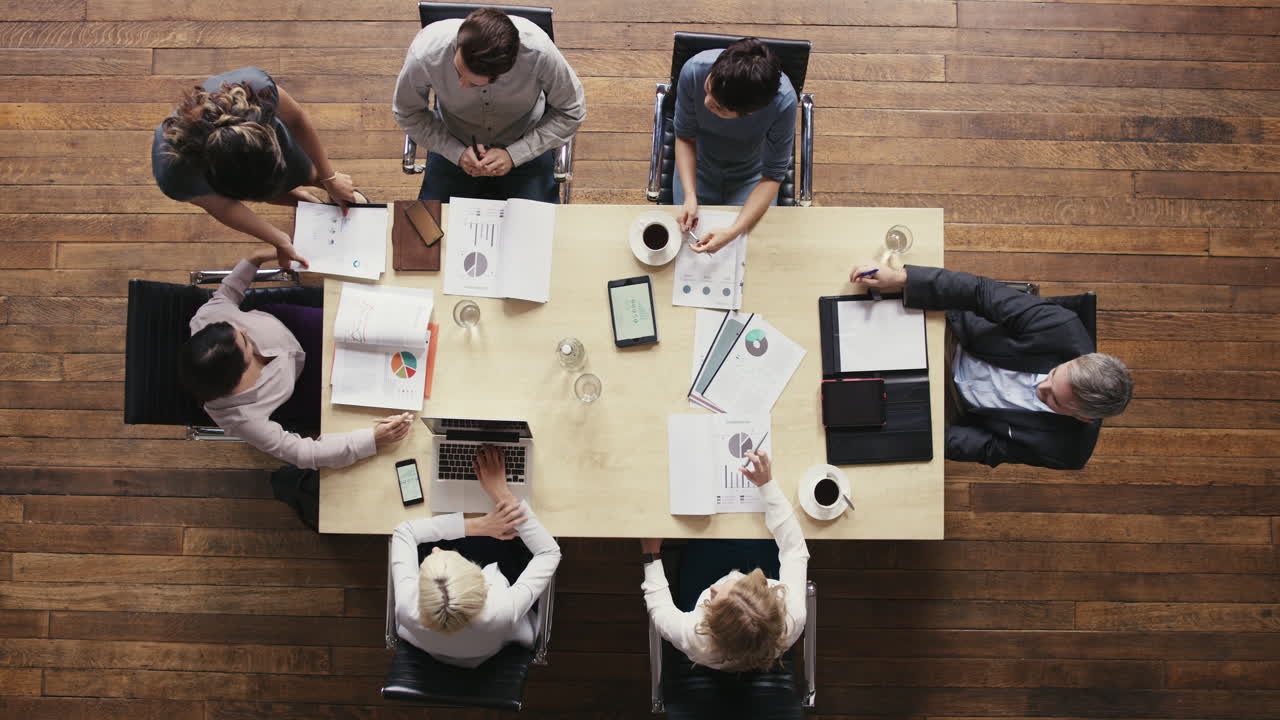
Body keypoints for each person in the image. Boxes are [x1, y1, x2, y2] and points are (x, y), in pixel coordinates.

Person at [849, 263, 1134, 470]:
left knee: (856, 415)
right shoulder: (1062, 328)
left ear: (1082, 418)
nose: (1040, 387)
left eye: (1052, 399)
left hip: (952, 407)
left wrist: (912, 430)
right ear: (1075, 360)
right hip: (953, 340)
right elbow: (978, 293)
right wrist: (901, 279)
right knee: (850, 336)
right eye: (1053, 375)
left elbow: (985, 446)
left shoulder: (1067, 451)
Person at [180, 247, 412, 469]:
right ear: (241, 379)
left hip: (292, 327)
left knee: (380, 321)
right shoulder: (241, 418)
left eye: (238, 329)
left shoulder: (209, 318)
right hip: (300, 383)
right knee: (382, 395)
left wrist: (255, 257)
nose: (245, 331)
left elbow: (229, 291)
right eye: (246, 343)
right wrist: (372, 440)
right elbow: (304, 453)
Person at [153, 66, 367, 269]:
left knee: (307, 173)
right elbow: (223, 207)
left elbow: (297, 120)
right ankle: (309, 203)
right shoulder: (174, 176)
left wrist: (328, 178)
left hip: (257, 144)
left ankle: (317, 192)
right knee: (275, 188)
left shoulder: (254, 89)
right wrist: (278, 239)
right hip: (222, 171)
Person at [392, 7, 586, 204]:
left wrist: (515, 154)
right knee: (430, 232)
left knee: (539, 232)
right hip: (455, 141)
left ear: (503, 72)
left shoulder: (540, 53)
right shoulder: (425, 54)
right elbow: (408, 112)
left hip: (525, 141)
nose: (461, 85)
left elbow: (571, 110)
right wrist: (455, 152)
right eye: (458, 71)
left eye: (473, 83)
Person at [391, 446, 561, 667]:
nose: (436, 550)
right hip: (491, 642)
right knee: (499, 540)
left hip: (437, 645)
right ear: (482, 580)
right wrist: (502, 493)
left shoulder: (406, 605)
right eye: (451, 557)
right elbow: (549, 552)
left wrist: (478, 525)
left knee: (445, 530)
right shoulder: (502, 610)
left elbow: (404, 531)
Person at [641, 451, 809, 672]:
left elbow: (660, 609)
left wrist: (650, 551)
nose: (712, 588)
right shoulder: (791, 615)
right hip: (754, 574)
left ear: (711, 625)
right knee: (762, 532)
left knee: (700, 533)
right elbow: (793, 550)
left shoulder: (696, 638)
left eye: (713, 599)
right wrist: (767, 485)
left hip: (709, 577)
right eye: (726, 588)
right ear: (762, 587)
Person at [673, 38, 797, 255]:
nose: (706, 102)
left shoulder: (784, 102)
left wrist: (734, 232)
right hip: (698, 165)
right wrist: (690, 195)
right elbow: (685, 137)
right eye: (708, 88)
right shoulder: (693, 70)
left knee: (750, 253)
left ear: (749, 112)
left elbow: (773, 176)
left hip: (752, 176)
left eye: (718, 107)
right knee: (682, 245)